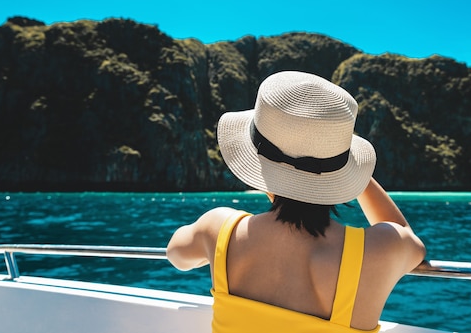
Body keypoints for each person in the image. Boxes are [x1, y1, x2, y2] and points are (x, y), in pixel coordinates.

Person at [167, 71, 426, 333]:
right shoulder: (379, 250)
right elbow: (411, 245)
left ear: (257, 162)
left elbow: (176, 254)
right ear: (341, 173)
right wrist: (348, 171)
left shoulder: (219, 228)